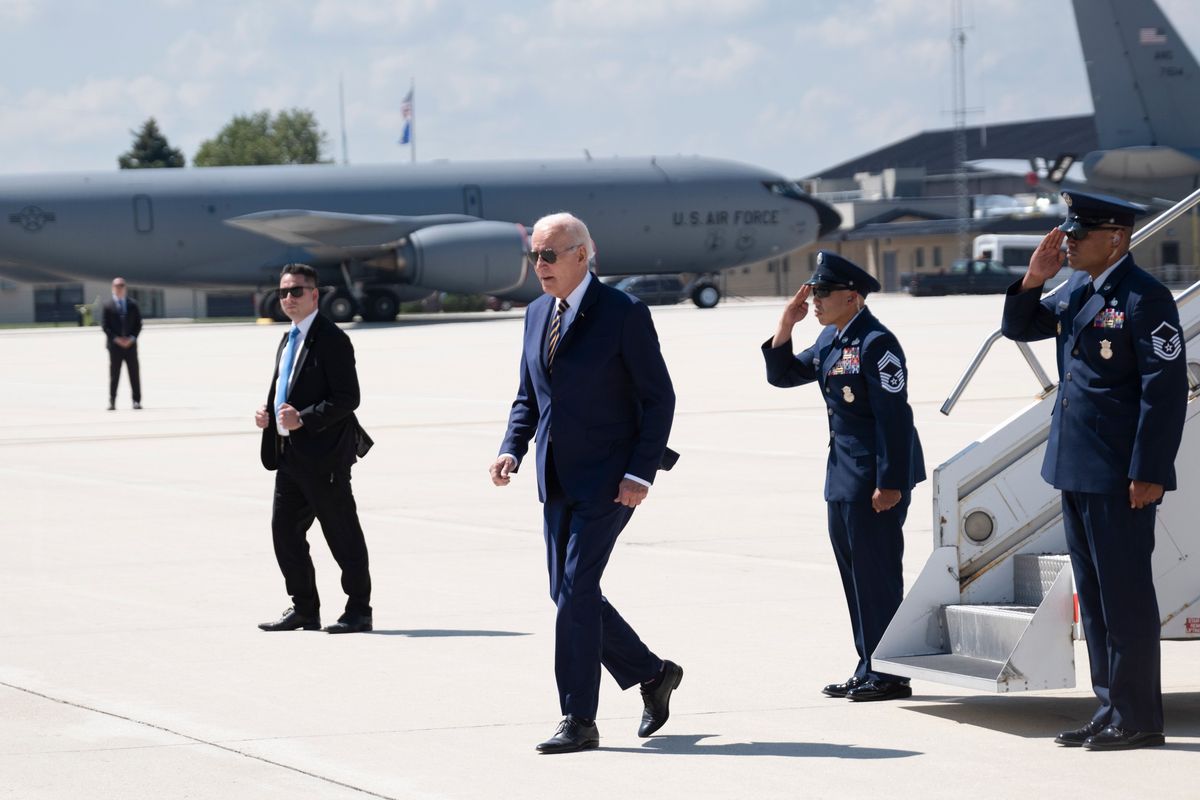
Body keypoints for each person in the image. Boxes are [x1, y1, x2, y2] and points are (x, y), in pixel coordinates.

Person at [491, 212, 682, 754]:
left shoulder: (623, 312)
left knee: (575, 590)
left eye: (549, 255)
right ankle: (652, 672)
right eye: (534, 256)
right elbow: (529, 396)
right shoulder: (533, 314)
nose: (540, 266)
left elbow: (657, 398)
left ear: (582, 254)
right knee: (567, 591)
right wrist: (511, 448)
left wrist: (639, 471)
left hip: (611, 479)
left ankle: (579, 718)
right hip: (555, 477)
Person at [1001, 190, 1187, 751]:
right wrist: (1034, 276)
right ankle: (1109, 708)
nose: (1069, 243)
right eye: (1068, 234)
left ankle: (1138, 718)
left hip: (1119, 472)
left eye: (1079, 235)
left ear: (1116, 238)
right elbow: (1020, 326)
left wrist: (1149, 469)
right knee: (1096, 595)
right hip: (1076, 465)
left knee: (1125, 596)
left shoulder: (1145, 297)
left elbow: (1165, 390)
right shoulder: (1079, 288)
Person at [761, 251, 924, 703]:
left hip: (875, 477)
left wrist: (890, 483)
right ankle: (868, 664)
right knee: (855, 576)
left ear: (852, 297)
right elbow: (785, 375)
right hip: (844, 474)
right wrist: (787, 325)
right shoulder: (834, 339)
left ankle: (890, 674)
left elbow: (895, 417)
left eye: (822, 293)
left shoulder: (876, 342)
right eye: (812, 293)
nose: (813, 300)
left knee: (877, 575)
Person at [254, 263, 375, 635]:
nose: (288, 298)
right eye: (283, 292)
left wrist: (303, 418)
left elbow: (347, 398)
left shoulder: (332, 339)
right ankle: (304, 608)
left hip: (324, 457)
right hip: (290, 455)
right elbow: (286, 386)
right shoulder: (288, 337)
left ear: (314, 295)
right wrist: (268, 413)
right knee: (284, 532)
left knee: (341, 533)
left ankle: (359, 611)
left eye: (296, 291)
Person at [101, 277, 142, 410]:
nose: (119, 288)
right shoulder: (107, 306)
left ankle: (136, 401)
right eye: (117, 286)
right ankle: (112, 401)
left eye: (122, 286)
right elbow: (105, 326)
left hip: (130, 346)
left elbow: (138, 324)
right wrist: (116, 339)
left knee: (134, 373)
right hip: (115, 347)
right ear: (113, 288)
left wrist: (132, 338)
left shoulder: (133, 304)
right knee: (114, 375)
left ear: (125, 288)